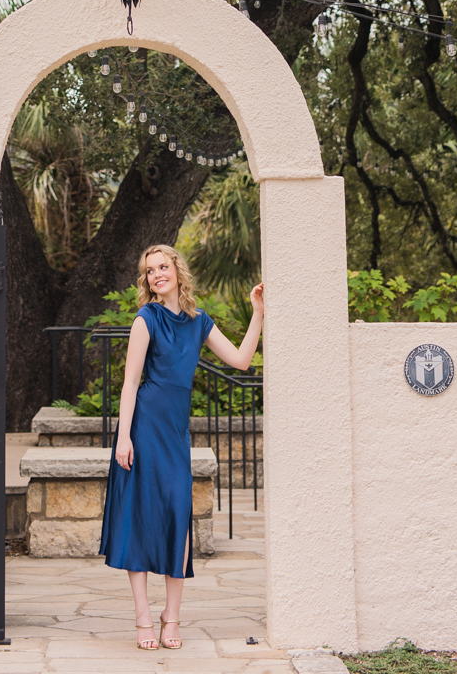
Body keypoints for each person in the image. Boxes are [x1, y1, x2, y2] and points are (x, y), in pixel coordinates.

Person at [100, 243, 264, 651]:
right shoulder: (146, 319)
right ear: (147, 281)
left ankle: (171, 616)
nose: (157, 274)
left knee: (178, 516)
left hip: (174, 435)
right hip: (142, 430)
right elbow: (130, 383)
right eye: (150, 270)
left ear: (177, 270)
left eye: (162, 266)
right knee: (138, 519)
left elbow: (242, 361)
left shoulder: (199, 321)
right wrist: (123, 437)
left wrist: (258, 311)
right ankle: (142, 616)